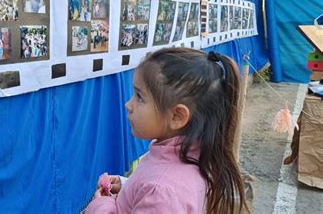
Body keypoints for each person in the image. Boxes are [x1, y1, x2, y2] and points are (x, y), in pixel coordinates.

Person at [86, 48, 248, 213]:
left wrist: (101, 206)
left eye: (139, 97)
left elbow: (159, 195)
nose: (129, 104)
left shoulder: (161, 192)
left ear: (177, 116)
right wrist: (127, 185)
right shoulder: (190, 157)